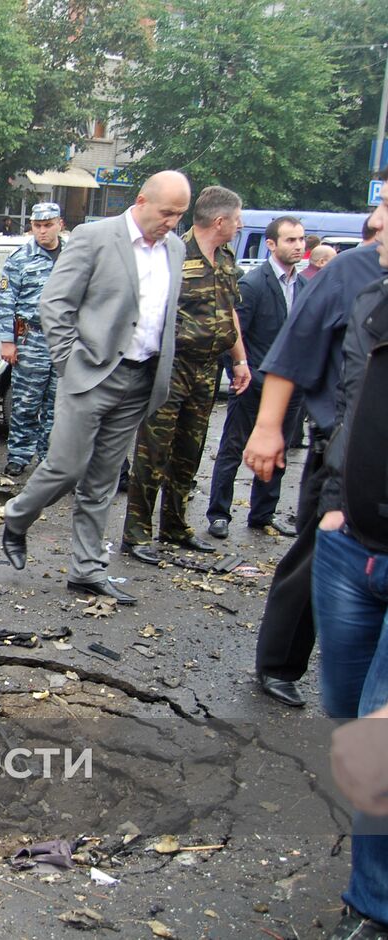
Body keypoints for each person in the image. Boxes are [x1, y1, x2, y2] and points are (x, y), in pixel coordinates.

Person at [1, 171, 192, 605]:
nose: (172, 223)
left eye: (180, 215)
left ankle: (87, 570)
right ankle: (17, 516)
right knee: (66, 467)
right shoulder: (95, 236)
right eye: (167, 213)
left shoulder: (175, 248)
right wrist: (70, 361)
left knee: (104, 479)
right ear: (141, 200)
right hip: (90, 373)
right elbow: (55, 302)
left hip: (142, 378)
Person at [242, 184, 388, 708]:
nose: (374, 219)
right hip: (346, 460)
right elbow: (294, 349)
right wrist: (268, 427)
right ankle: (279, 662)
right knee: (317, 555)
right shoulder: (353, 273)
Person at [304, 208, 388, 940]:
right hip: (352, 541)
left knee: (377, 738)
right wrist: (334, 501)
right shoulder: (368, 296)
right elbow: (357, 407)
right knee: (346, 708)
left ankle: (372, 905)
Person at [121, 185, 252, 564]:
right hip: (171, 367)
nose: (240, 226)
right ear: (220, 221)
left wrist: (239, 360)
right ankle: (137, 533)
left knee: (189, 452)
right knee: (153, 450)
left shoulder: (226, 259)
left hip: (208, 369)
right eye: (238, 219)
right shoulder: (174, 253)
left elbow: (230, 314)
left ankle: (175, 526)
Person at [205, 216, 306, 540]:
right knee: (233, 449)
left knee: (278, 451)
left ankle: (263, 513)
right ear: (272, 244)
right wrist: (241, 370)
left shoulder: (303, 286)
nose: (299, 246)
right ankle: (219, 514)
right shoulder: (254, 284)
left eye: (301, 239)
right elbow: (232, 334)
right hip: (253, 384)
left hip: (290, 389)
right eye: (290, 240)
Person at [0, 202, 64, 477]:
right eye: (37, 226)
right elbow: (5, 301)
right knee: (24, 403)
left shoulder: (73, 255)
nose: (43, 231)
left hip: (64, 341)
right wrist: (6, 341)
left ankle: (50, 459)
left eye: (48, 225)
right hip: (31, 338)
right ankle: (19, 456)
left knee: (57, 405)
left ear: (60, 224)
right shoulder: (20, 258)